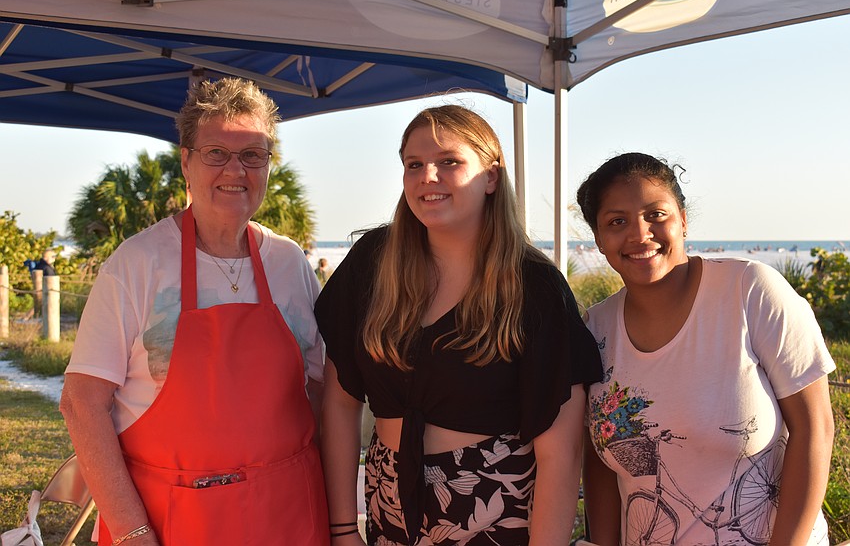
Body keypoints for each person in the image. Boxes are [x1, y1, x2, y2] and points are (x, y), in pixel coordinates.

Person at [315, 105, 602, 545]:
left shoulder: (533, 286)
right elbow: (339, 400)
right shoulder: (373, 262)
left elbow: (560, 456)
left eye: (449, 161)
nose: (428, 175)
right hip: (388, 501)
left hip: (494, 506)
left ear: (490, 177)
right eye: (414, 164)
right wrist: (341, 529)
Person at [60, 77, 329, 546]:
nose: (235, 169)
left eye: (253, 154)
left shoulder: (290, 263)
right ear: (186, 161)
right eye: (216, 153)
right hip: (170, 521)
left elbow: (324, 389)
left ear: (268, 166)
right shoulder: (137, 263)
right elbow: (82, 403)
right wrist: (131, 531)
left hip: (288, 515)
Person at [577, 152, 835, 545]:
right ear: (598, 239)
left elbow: (815, 428)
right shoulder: (595, 330)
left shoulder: (750, 291)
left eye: (655, 215)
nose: (639, 234)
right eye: (617, 222)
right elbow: (599, 464)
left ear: (682, 218)